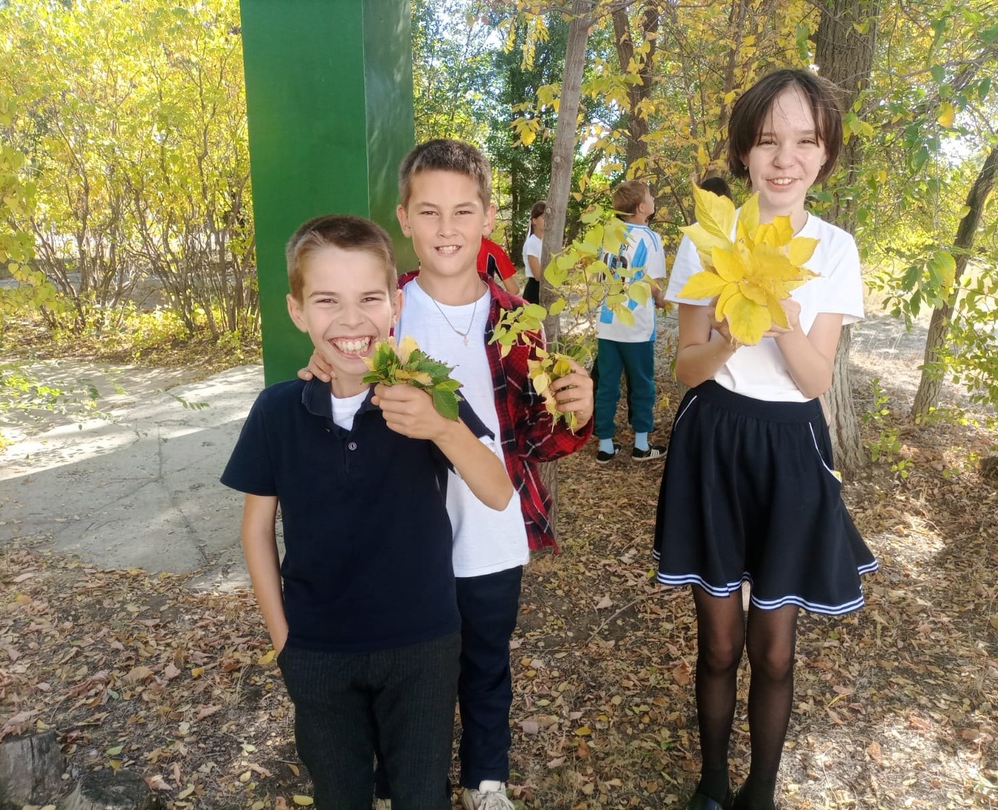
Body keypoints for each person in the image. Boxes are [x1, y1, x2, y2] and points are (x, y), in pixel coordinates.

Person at [302, 140, 595, 810]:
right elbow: (340, 374)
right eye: (428, 212)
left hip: (492, 531)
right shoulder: (384, 311)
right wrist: (322, 369)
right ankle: (405, 783)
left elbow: (539, 441)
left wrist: (574, 413)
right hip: (404, 539)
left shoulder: (519, 324)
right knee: (405, 673)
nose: (446, 229)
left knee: (486, 662)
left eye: (462, 212)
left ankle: (485, 781)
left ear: (487, 217)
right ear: (403, 218)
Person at [222, 214, 512, 810]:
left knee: (420, 793)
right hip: (318, 651)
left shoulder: (427, 394)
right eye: (327, 300)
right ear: (298, 311)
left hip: (423, 650)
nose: (351, 321)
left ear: (394, 306)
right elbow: (256, 530)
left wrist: (442, 428)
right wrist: (285, 641)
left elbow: (497, 491)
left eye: (368, 299)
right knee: (340, 792)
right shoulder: (278, 411)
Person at [654, 69, 878, 810]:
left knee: (772, 647)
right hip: (714, 438)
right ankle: (712, 785)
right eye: (767, 140)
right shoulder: (709, 240)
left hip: (791, 446)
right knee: (718, 641)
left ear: (825, 156)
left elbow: (814, 380)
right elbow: (688, 368)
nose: (785, 158)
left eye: (805, 142)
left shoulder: (835, 249)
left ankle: (762, 792)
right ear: (745, 152)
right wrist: (723, 332)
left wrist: (775, 306)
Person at [594, 180, 668, 463]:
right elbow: (651, 284)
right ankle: (640, 444)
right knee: (642, 383)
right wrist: (661, 298)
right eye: (650, 196)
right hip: (636, 326)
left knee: (607, 385)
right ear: (641, 208)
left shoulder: (608, 234)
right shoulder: (650, 238)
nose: (653, 199)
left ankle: (605, 445)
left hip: (607, 322)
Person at [520, 200, 547, 304]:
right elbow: (537, 275)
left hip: (545, 288)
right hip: (535, 290)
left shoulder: (545, 242)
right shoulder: (532, 243)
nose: (548, 221)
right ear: (534, 221)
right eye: (544, 218)